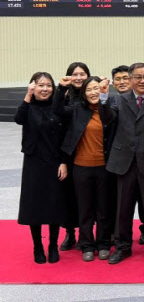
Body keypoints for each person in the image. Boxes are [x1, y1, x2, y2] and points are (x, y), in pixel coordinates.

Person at [99, 63, 144, 264]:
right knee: (123, 208)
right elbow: (107, 118)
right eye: (138, 77)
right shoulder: (118, 100)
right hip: (124, 163)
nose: (142, 81)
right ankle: (122, 247)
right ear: (130, 79)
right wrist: (103, 96)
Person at [55, 75, 115, 262]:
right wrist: (60, 88)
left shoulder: (108, 107)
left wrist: (104, 97)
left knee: (104, 209)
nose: (92, 92)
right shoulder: (76, 109)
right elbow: (57, 110)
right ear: (83, 93)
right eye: (88, 90)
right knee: (85, 209)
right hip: (81, 167)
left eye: (96, 88)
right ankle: (87, 244)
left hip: (104, 168)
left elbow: (109, 118)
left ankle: (103, 243)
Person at [14, 72, 68, 264]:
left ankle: (53, 245)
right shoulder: (28, 107)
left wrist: (64, 162)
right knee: (34, 205)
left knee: (54, 204)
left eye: (48, 85)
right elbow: (18, 118)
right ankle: (37, 246)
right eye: (40, 85)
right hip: (34, 163)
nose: (45, 89)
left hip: (55, 162)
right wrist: (27, 96)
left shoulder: (57, 107)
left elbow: (65, 136)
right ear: (33, 87)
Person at [58, 61, 90, 252]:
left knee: (88, 197)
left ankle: (89, 234)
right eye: (75, 74)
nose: (78, 78)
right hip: (68, 153)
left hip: (89, 151)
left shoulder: (91, 94)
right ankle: (70, 233)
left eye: (82, 74)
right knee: (68, 196)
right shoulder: (64, 97)